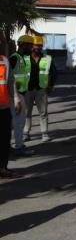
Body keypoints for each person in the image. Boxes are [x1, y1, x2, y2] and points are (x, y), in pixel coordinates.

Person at [14, 34, 56, 143]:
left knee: (43, 112)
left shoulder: (47, 58)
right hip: (27, 88)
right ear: (32, 46)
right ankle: (26, 133)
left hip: (41, 89)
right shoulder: (24, 57)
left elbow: (53, 73)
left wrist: (51, 85)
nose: (38, 48)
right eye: (36, 45)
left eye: (40, 46)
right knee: (27, 112)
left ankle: (44, 133)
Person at [1, 42, 22, 179]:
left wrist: (16, 98)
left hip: (3, 107)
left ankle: (2, 168)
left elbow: (10, 81)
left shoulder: (4, 61)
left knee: (4, 139)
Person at [10, 34, 34, 155]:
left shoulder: (22, 58)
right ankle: (18, 147)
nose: (32, 48)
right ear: (23, 45)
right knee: (18, 122)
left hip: (21, 94)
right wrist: (15, 97)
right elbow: (10, 78)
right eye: (30, 46)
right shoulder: (14, 58)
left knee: (19, 121)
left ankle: (16, 145)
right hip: (16, 95)